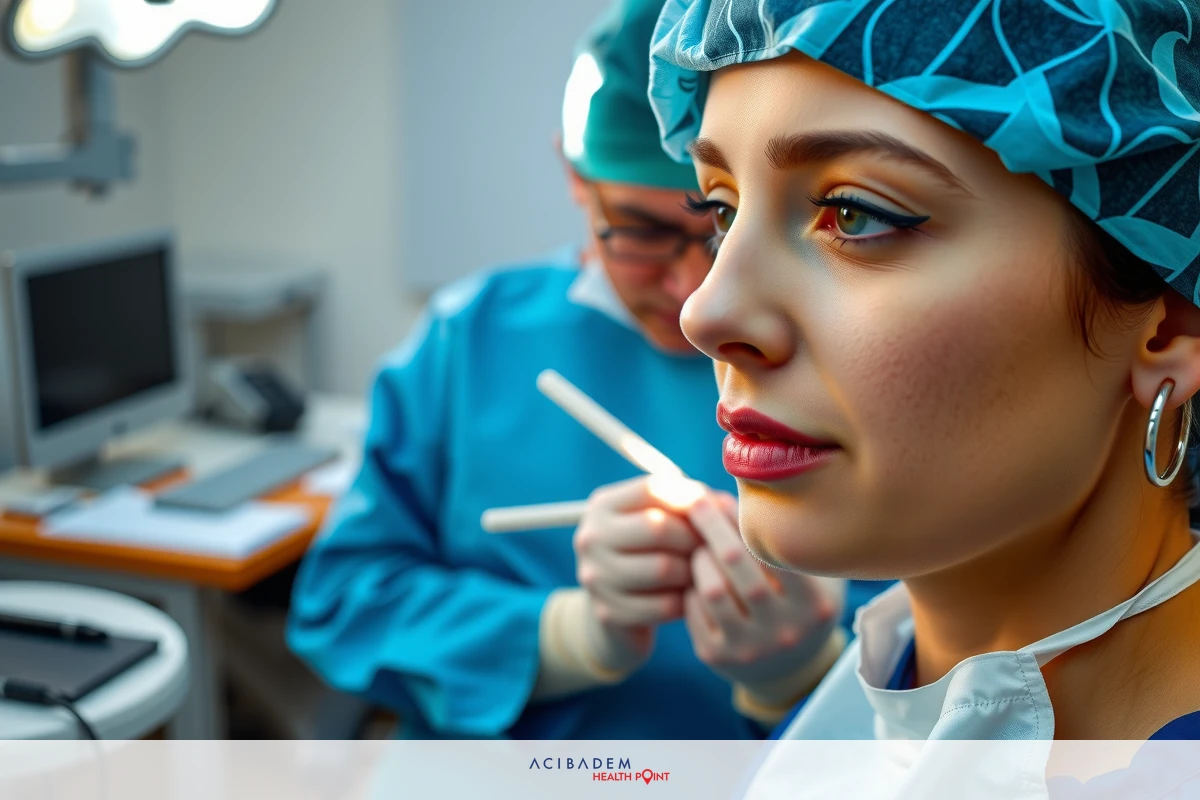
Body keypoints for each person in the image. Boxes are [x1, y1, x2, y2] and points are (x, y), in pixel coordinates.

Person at [286, 0, 854, 740]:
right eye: (642, 233)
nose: (691, 294)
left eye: (719, 222)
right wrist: (564, 636)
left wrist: (805, 675)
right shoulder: (470, 338)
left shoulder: (847, 360)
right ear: (574, 178)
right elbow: (345, 599)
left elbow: (957, 659)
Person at [647, 0, 1200, 752]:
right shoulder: (847, 722)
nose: (705, 314)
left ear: (1170, 321)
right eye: (720, 209)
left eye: (854, 215)